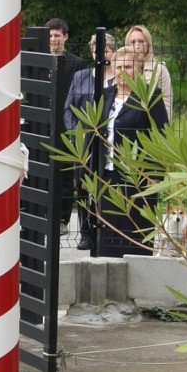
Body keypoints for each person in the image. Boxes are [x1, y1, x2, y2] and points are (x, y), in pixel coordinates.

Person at [98, 46, 168, 257]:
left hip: (137, 176)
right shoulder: (105, 95)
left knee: (136, 229)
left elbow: (161, 136)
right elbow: (92, 132)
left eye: (127, 66)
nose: (121, 71)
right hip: (107, 174)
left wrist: (154, 173)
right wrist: (87, 172)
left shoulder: (150, 96)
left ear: (138, 70)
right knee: (108, 232)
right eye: (118, 66)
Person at [63, 33, 116, 250]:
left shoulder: (118, 79)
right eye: (95, 50)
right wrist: (77, 133)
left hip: (109, 141)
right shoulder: (81, 77)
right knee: (83, 186)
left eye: (104, 50)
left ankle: (106, 230)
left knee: (106, 186)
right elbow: (69, 108)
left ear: (113, 51)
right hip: (84, 142)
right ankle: (86, 233)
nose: (99, 54)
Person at [45, 17, 86, 231]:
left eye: (57, 36)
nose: (53, 40)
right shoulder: (38, 59)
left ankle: (62, 218)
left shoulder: (76, 63)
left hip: (65, 124)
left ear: (66, 37)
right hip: (42, 122)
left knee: (65, 172)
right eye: (50, 36)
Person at [125, 24, 173, 122]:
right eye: (133, 42)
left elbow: (166, 101)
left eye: (141, 41)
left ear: (148, 43)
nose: (137, 45)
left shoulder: (160, 69)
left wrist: (164, 129)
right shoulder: (121, 68)